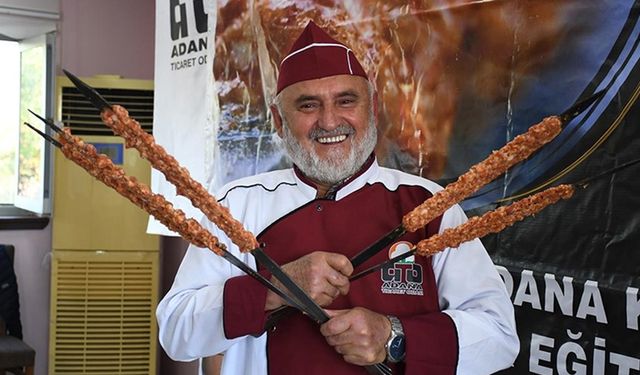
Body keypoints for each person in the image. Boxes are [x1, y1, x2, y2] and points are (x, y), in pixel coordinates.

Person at [156, 21, 519, 375]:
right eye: (308, 105)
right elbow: (176, 333)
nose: (329, 122)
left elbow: (499, 338)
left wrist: (394, 336)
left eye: (346, 100)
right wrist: (276, 286)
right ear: (279, 122)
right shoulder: (237, 206)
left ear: (371, 109)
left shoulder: (428, 207)